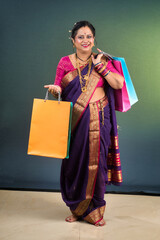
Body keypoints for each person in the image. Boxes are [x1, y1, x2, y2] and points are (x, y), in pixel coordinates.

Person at [44, 21, 124, 227]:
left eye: (89, 36)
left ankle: (95, 210)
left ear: (94, 39)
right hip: (76, 121)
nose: (85, 40)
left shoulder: (104, 60)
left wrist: (100, 66)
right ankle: (77, 208)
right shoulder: (64, 62)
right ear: (73, 40)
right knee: (75, 164)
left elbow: (118, 84)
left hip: (101, 118)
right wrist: (55, 91)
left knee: (98, 164)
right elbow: (60, 89)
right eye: (81, 37)